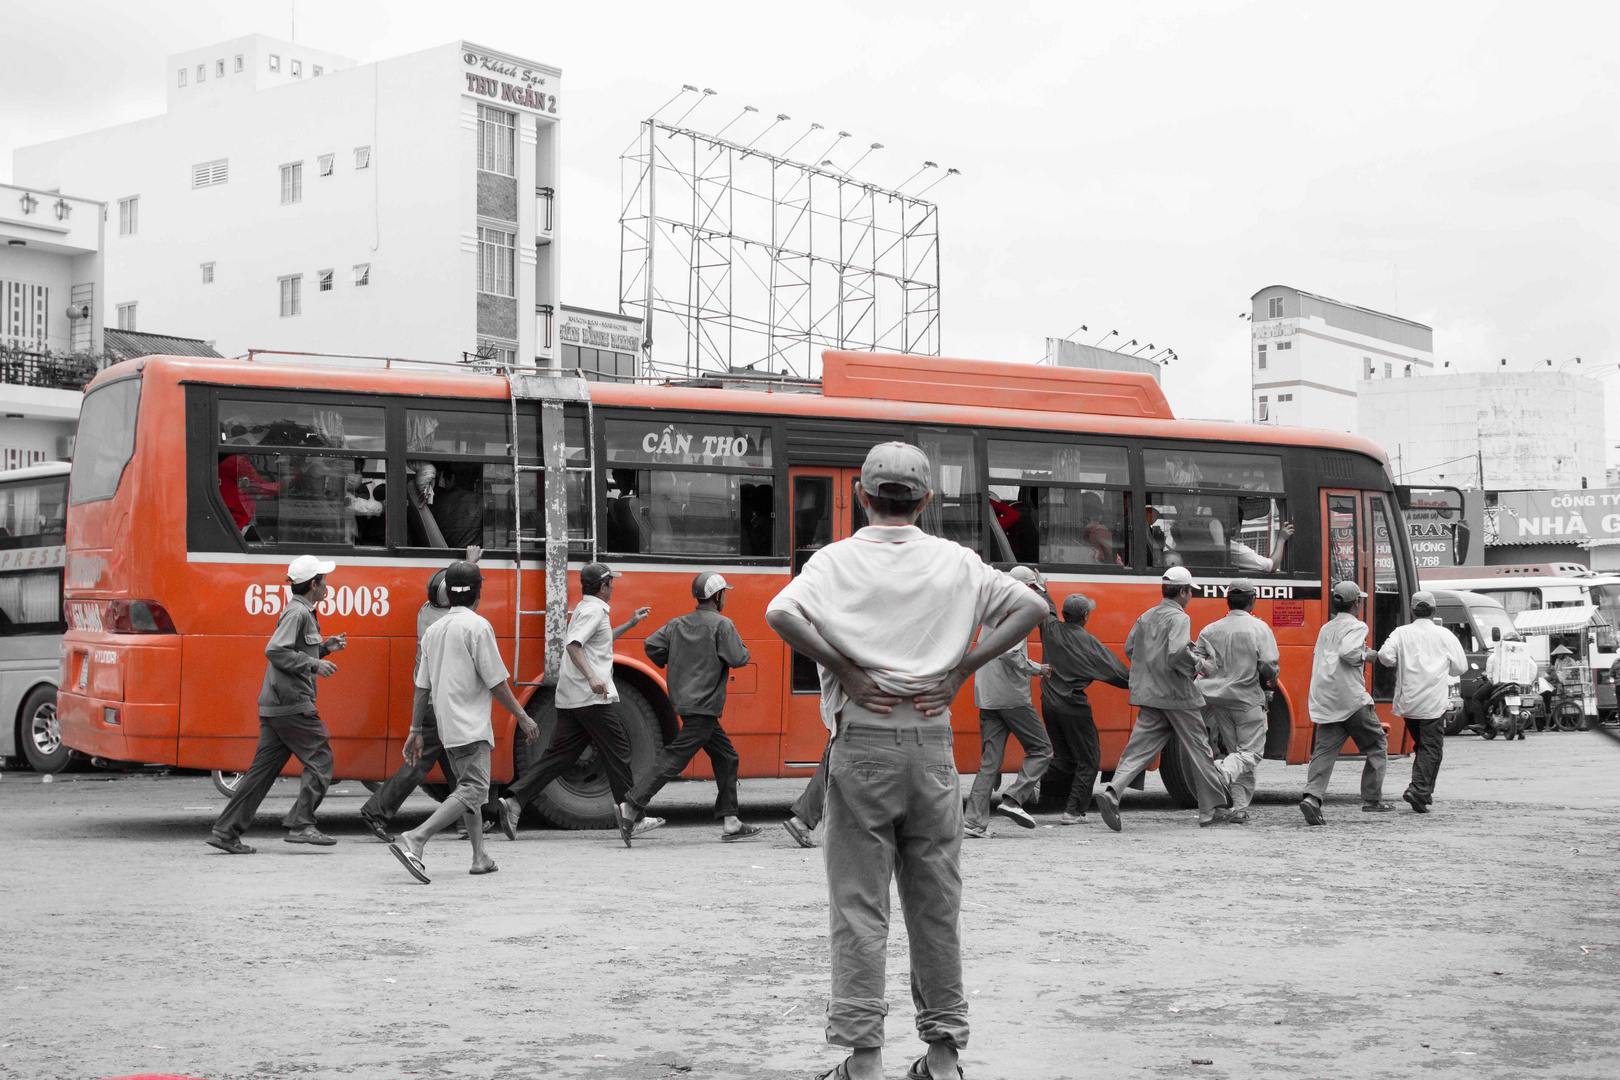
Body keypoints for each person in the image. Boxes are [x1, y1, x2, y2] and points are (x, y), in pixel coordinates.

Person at [765, 441, 1046, 1080]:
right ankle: (943, 1058)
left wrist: (842, 669)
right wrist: (960, 670)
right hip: (933, 746)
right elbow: (1031, 605)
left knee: (860, 908)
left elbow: (781, 612)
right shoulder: (957, 561)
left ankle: (864, 1062)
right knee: (935, 905)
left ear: (863, 496)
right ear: (925, 500)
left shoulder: (834, 560)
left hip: (860, 744)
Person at [388, 561, 540, 883]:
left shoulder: (434, 630)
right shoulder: (477, 626)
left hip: (446, 725)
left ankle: (479, 856)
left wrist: (415, 730)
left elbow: (421, 687)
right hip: (470, 725)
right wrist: (523, 716)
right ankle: (417, 837)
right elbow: (497, 682)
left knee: (465, 790)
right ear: (478, 592)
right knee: (474, 789)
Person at [496, 562, 653, 845]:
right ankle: (633, 816)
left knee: (561, 757)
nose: (613, 587)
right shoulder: (595, 610)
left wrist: (630, 623)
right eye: (611, 583)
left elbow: (597, 643)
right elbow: (574, 644)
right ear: (604, 586)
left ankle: (515, 802)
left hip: (572, 698)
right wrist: (593, 677)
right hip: (589, 697)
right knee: (618, 750)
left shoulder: (586, 608)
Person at [207, 555, 345, 854]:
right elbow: (275, 650)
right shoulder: (298, 613)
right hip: (292, 703)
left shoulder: (301, 611)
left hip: (277, 704)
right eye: (324, 580)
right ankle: (301, 823)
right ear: (313, 584)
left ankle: (225, 832)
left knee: (260, 774)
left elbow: (291, 650)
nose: (327, 586)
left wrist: (323, 649)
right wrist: (313, 664)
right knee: (320, 758)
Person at [619, 572, 759, 841]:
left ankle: (731, 819)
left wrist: (674, 658)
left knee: (726, 756)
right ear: (717, 596)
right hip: (705, 704)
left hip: (685, 701)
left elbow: (651, 645)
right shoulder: (722, 624)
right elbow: (739, 657)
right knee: (674, 757)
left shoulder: (678, 624)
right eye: (724, 593)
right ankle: (632, 805)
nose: (725, 597)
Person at [1093, 566, 1234, 830]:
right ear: (1182, 591)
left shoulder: (1146, 616)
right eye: (1190, 591)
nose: (1190, 596)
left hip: (1150, 694)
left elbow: (1130, 648)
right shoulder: (1180, 618)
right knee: (1199, 749)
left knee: (1139, 749)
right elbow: (1178, 653)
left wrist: (1152, 667)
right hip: (1177, 694)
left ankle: (1113, 791)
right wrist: (1200, 665)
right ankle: (1210, 810)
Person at [359, 546, 484, 841]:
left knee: (456, 762)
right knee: (420, 765)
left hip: (432, 700)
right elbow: (468, 604)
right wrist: (470, 564)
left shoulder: (425, 612)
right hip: (436, 703)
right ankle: (375, 811)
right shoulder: (447, 621)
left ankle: (467, 821)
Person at [963, 565, 1054, 837]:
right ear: (1025, 588)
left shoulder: (991, 610)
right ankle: (1014, 799)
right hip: (1011, 696)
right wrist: (1038, 668)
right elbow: (1010, 654)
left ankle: (973, 822)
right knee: (1042, 749)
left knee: (990, 762)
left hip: (987, 695)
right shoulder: (1018, 613)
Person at [1301, 580, 1393, 825]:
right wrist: (1367, 655)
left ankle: (1312, 798)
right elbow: (1348, 653)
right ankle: (1372, 799)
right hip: (1352, 699)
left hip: (1327, 698)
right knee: (1376, 743)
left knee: (1324, 752)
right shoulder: (1357, 626)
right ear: (1357, 603)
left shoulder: (1326, 628)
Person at [1192, 579, 1280, 824]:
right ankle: (1221, 772)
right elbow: (1269, 665)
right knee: (1250, 754)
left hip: (1218, 702)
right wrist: (1271, 678)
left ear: (1227, 600)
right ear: (1253, 600)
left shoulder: (1210, 629)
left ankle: (1239, 809)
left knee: (1237, 754)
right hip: (1247, 700)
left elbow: (1196, 660)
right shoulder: (1259, 628)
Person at [1037, 591, 1129, 824]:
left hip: (1048, 703)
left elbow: (1046, 608)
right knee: (1088, 760)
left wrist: (1042, 588)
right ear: (1085, 616)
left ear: (1065, 614)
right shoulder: (1089, 642)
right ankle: (1072, 811)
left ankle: (1028, 781)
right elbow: (1118, 673)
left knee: (1065, 758)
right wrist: (1139, 684)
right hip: (1074, 707)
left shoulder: (1049, 628)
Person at [1376, 590, 1467, 815]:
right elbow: (1460, 667)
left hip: (1408, 703)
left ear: (1413, 611)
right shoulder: (1444, 635)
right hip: (1433, 704)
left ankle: (1420, 791)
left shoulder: (1401, 633)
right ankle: (1418, 790)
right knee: (1431, 749)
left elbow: (1385, 656)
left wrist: (1399, 662)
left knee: (1422, 747)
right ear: (1434, 611)